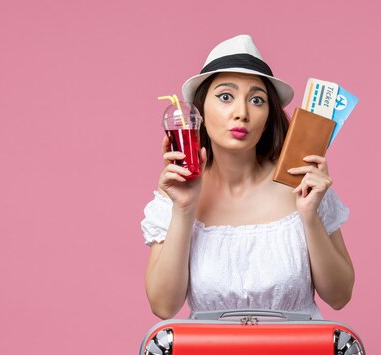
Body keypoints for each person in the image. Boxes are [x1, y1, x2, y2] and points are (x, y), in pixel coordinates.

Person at [141, 35, 354, 320]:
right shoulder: (176, 190)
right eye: (225, 96)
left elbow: (339, 296)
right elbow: (164, 306)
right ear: (200, 110)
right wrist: (183, 209)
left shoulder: (303, 183)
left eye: (256, 100)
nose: (241, 113)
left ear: (268, 117)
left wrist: (309, 215)